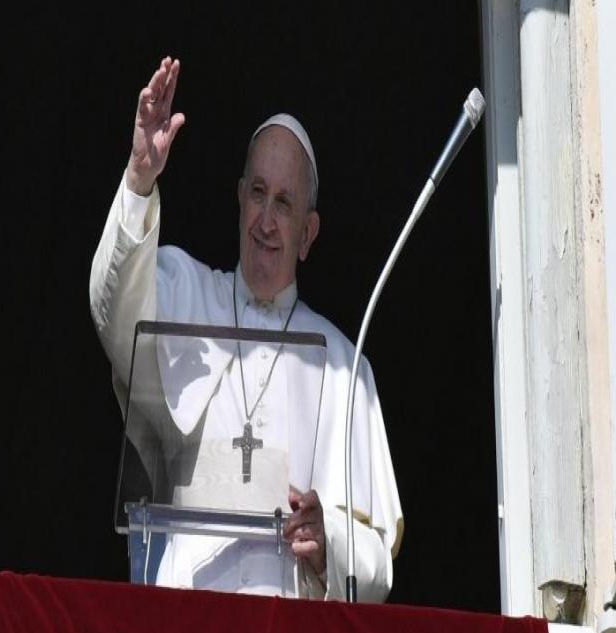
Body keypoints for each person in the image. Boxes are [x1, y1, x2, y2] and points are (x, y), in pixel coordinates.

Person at [90, 56, 403, 601]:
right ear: (239, 200)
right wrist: (139, 179)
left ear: (307, 234)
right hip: (187, 623)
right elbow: (110, 307)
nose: (266, 221)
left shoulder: (343, 366)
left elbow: (377, 562)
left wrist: (331, 540)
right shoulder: (185, 291)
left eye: (284, 203)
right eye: (258, 193)